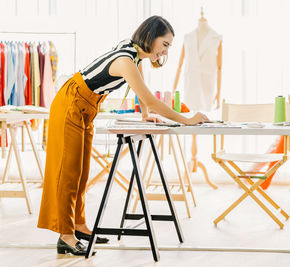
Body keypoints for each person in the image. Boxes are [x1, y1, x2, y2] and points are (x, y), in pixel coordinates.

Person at [37, 15, 208, 256]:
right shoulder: (126, 60)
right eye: (165, 44)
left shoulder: (133, 53)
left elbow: (141, 79)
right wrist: (186, 119)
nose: (165, 51)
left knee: (82, 170)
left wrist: (145, 114)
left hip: (85, 106)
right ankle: (65, 236)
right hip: (71, 103)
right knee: (68, 170)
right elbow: (149, 97)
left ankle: (78, 225)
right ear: (151, 37)